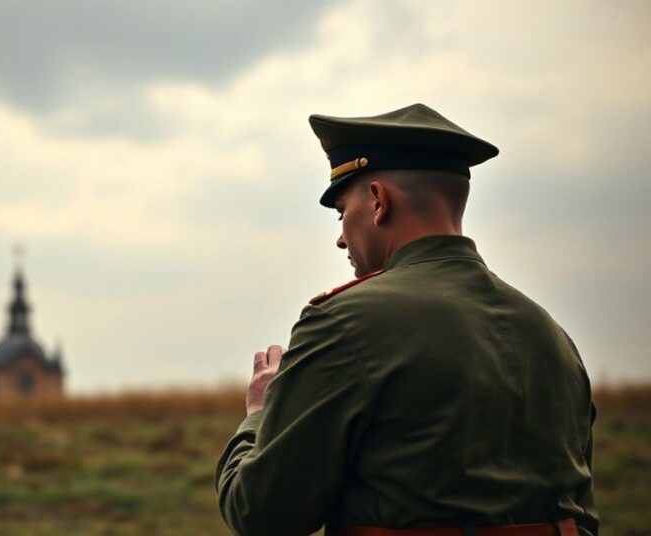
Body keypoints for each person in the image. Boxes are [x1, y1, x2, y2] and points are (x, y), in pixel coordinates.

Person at [215, 103, 598, 536]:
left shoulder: (344, 321)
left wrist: (261, 414)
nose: (341, 237)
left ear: (378, 201)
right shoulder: (550, 332)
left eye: (342, 213)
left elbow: (261, 514)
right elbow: (580, 513)